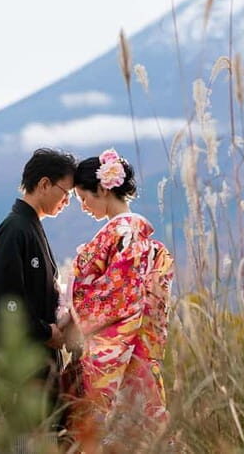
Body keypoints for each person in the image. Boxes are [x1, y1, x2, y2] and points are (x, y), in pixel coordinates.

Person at [60, 148, 174, 443]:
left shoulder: (123, 233)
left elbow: (115, 295)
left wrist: (72, 310)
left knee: (112, 427)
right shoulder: (132, 233)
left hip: (117, 345)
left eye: (84, 198)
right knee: (135, 426)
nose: (83, 206)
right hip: (135, 343)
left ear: (102, 188)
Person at [0, 147, 77, 424]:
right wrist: (46, 331)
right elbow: (4, 304)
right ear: (44, 184)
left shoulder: (30, 227)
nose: (67, 201)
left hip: (36, 373)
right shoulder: (15, 230)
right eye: (65, 193)